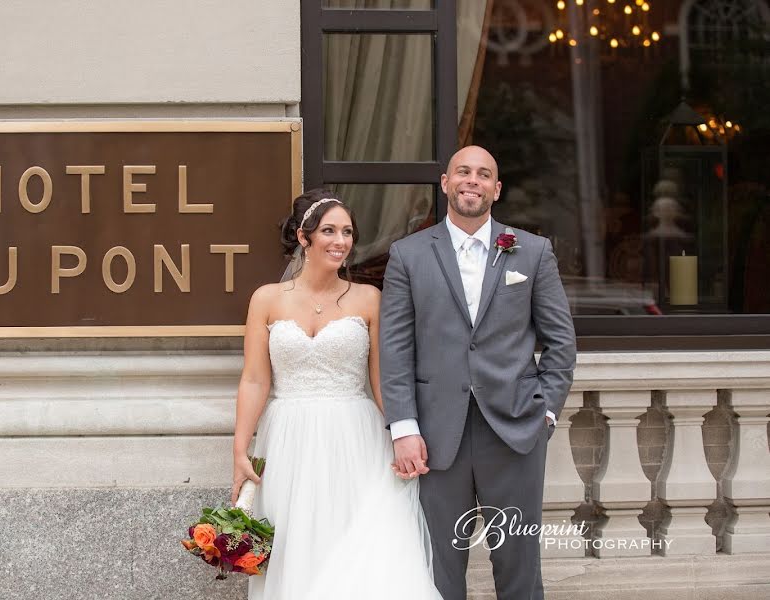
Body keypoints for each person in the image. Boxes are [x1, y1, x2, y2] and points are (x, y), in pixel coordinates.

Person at [380, 146, 577, 600]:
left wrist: (544, 413)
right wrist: (404, 428)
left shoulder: (532, 252)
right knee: (439, 568)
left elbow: (561, 343)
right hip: (434, 433)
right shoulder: (408, 255)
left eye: (484, 174)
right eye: (463, 172)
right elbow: (394, 349)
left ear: (496, 189)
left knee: (519, 564)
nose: (473, 180)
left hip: (515, 429)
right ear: (446, 183)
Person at [231, 189, 443, 599]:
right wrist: (240, 449)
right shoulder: (266, 300)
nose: (341, 241)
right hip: (288, 441)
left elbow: (384, 380)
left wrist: (405, 434)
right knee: (298, 549)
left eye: (347, 232)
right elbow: (255, 379)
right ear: (304, 237)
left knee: (361, 549)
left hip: (356, 440)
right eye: (328, 230)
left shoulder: (368, 299)